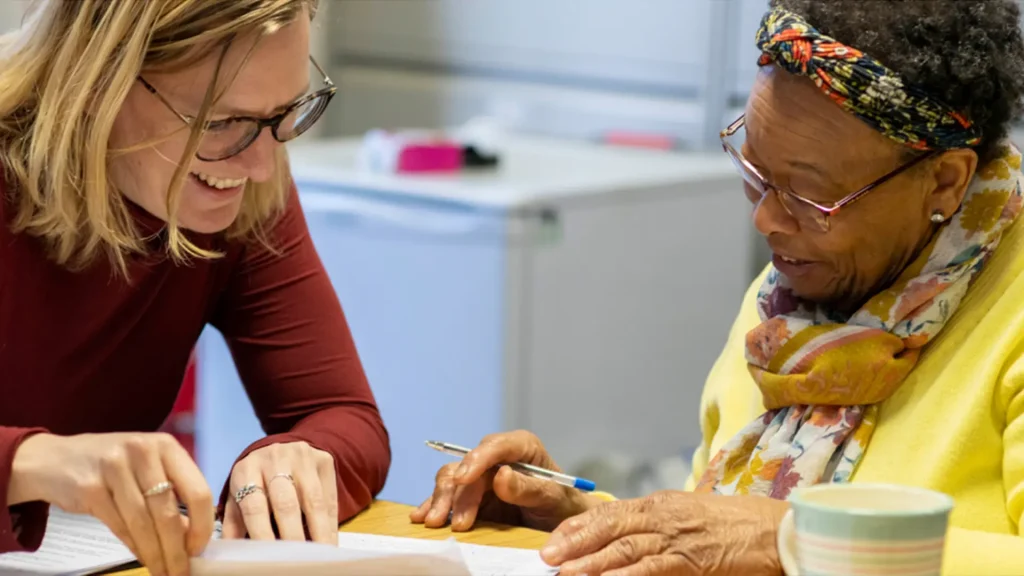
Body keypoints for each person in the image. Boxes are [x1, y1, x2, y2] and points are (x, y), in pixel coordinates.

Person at [414, 1, 1024, 574]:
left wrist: (789, 540)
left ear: (945, 182)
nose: (766, 218)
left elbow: (760, 539)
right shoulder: (789, 300)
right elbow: (722, 526)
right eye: (754, 168)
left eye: (810, 194)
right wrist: (581, 519)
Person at [0, 1, 391, 575]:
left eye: (284, 113)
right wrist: (31, 463)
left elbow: (340, 413)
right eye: (218, 123)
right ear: (99, 77)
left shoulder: (246, 188)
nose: (261, 166)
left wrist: (296, 459)